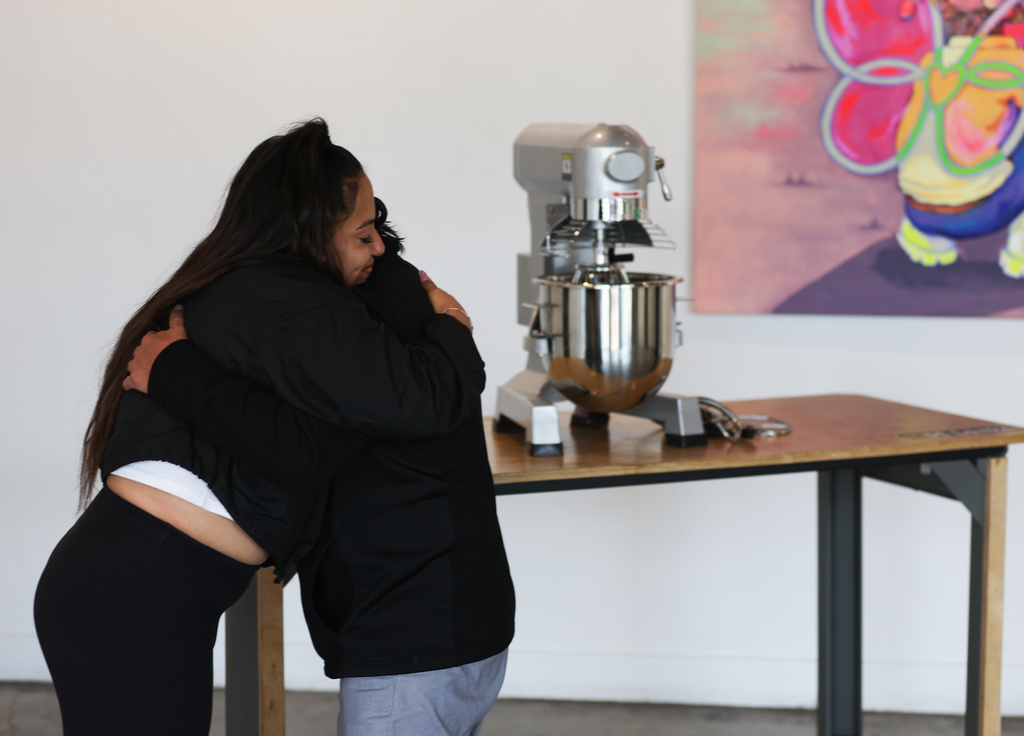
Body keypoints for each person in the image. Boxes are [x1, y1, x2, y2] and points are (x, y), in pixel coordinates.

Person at [34, 118, 513, 736]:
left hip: (147, 582)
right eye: (363, 233)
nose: (380, 250)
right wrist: (452, 327)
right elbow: (334, 437)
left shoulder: (315, 301)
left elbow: (330, 432)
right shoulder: (279, 303)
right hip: (136, 585)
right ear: (309, 231)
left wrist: (178, 373)